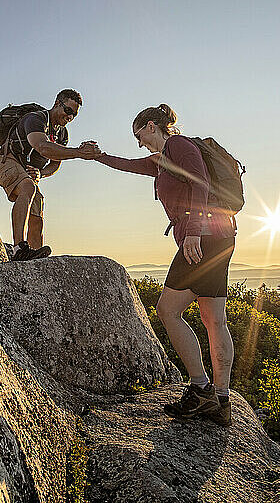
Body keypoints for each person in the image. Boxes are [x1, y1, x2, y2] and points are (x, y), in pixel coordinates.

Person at [91, 103, 236, 427]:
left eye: (138, 133)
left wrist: (194, 232)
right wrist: (96, 155)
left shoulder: (177, 146)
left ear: (152, 125)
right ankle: (220, 402)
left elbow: (200, 183)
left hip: (205, 235)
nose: (138, 141)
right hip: (220, 235)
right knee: (214, 319)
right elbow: (126, 164)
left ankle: (200, 389)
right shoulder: (161, 161)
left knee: (167, 311)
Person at [0, 89, 100, 261]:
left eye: (74, 115)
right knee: (28, 187)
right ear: (57, 104)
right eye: (68, 111)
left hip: (28, 173)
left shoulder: (62, 134)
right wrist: (79, 152)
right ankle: (19, 248)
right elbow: (42, 146)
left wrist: (40, 174)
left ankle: (35, 256)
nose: (70, 117)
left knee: (37, 208)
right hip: (7, 161)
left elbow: (55, 164)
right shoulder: (36, 119)